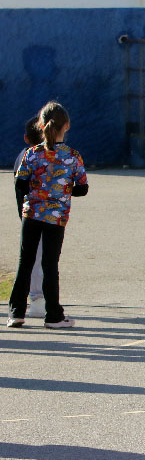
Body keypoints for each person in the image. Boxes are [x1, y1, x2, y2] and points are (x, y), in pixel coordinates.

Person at [8, 102, 88, 328]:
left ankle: (16, 312)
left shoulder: (31, 154)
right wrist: (62, 189)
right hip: (56, 217)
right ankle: (53, 315)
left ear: (41, 125)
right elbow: (82, 188)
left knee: (26, 261)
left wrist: (37, 192)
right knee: (50, 264)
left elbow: (21, 182)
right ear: (67, 126)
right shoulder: (73, 156)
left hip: (32, 213)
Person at [13, 117, 45, 319]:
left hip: (28, 214)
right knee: (39, 258)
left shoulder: (22, 157)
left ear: (26, 138)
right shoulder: (43, 157)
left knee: (31, 258)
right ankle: (37, 300)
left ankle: (34, 300)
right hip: (44, 215)